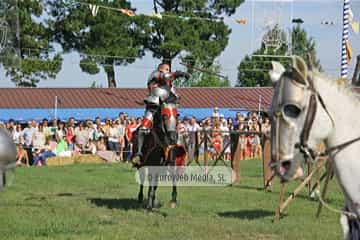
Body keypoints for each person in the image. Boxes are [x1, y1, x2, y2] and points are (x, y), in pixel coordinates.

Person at [132, 63, 189, 165]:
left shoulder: (169, 85)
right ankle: (139, 153)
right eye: (166, 69)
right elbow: (165, 76)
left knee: (176, 129)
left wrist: (177, 97)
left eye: (169, 69)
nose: (168, 70)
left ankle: (179, 153)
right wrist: (178, 74)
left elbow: (174, 94)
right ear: (161, 69)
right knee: (143, 129)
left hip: (167, 106)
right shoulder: (155, 74)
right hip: (154, 105)